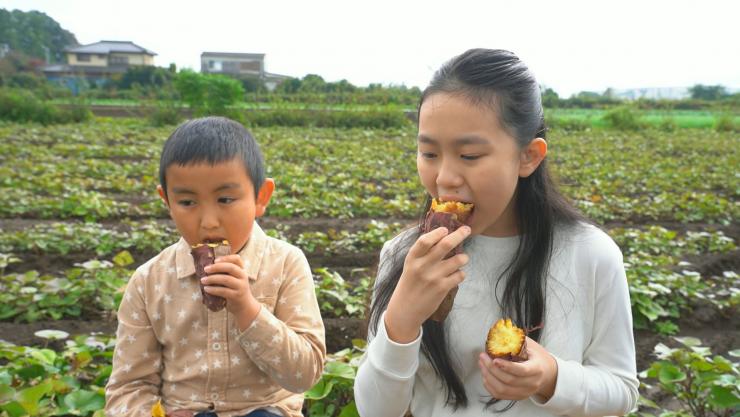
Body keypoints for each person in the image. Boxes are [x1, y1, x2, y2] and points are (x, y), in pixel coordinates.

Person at [354, 49, 638, 416]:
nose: (444, 178)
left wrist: (552, 377)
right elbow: (376, 411)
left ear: (528, 157)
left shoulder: (591, 254)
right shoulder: (403, 255)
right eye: (429, 153)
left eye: (469, 156)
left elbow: (622, 390)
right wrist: (402, 316)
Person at [105, 117, 326, 417]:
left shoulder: (286, 264)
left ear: (261, 197)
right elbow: (127, 388)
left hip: (265, 411)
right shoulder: (148, 281)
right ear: (166, 201)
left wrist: (247, 309)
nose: (208, 221)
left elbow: (305, 375)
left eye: (225, 199)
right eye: (187, 202)